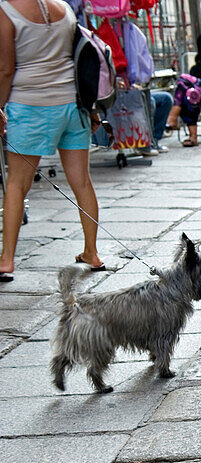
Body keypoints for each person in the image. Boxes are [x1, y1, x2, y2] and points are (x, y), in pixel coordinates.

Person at [0, 0, 104, 281]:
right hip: (72, 106)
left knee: (16, 184)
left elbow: (6, 69)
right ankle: (92, 252)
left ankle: (6, 260)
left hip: (29, 106)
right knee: (81, 181)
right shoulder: (63, 8)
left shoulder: (6, 11)